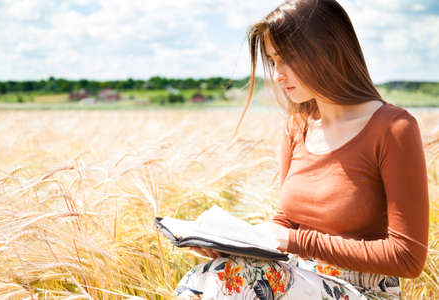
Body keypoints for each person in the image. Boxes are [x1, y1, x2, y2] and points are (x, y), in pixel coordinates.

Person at [175, 0, 429, 299]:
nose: (278, 74)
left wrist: (297, 242)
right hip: (295, 277)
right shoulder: (298, 125)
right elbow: (285, 221)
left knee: (234, 279)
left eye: (288, 58)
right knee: (206, 277)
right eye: (272, 61)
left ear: (328, 50)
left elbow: (407, 258)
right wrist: (230, 243)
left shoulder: (393, 128)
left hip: (362, 291)